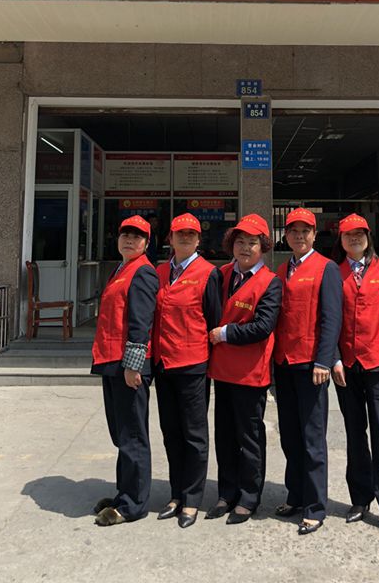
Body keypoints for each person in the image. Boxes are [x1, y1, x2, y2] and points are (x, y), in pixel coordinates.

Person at [331, 213, 379, 540]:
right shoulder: (334, 272)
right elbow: (329, 320)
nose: (354, 239)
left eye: (359, 234)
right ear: (341, 239)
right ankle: (360, 498)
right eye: (348, 235)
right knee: (355, 435)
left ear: (368, 237)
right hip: (347, 367)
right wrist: (333, 358)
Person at [206, 214, 282, 525]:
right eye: (240, 242)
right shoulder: (221, 275)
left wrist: (225, 333)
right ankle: (227, 493)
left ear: (263, 247)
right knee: (224, 435)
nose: (245, 248)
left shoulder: (271, 282)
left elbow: (263, 327)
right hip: (222, 370)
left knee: (249, 437)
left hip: (251, 372)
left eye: (252, 242)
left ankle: (249, 497)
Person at [273, 207, 343, 536]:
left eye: (305, 231)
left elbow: (332, 319)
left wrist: (324, 361)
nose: (299, 236)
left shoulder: (326, 268)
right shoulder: (281, 269)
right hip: (284, 363)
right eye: (293, 231)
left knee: (312, 438)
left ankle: (315, 506)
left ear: (315, 235)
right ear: (286, 235)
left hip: (311, 365)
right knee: (290, 435)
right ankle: (296, 495)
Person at [152, 213, 222, 529]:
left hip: (192, 364)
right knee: (171, 433)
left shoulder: (208, 273)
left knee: (194, 435)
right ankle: (176, 494)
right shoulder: (159, 271)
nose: (185, 238)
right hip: (164, 364)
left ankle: (192, 499)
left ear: (198, 240)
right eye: (179, 233)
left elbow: (213, 319)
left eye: (190, 234)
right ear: (170, 238)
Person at [91, 215, 159, 526]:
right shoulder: (121, 270)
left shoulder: (143, 272)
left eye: (137, 236)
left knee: (132, 435)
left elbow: (141, 323)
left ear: (146, 243)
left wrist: (134, 366)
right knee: (121, 434)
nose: (129, 240)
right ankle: (123, 493)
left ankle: (133, 505)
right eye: (125, 235)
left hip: (128, 367)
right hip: (111, 362)